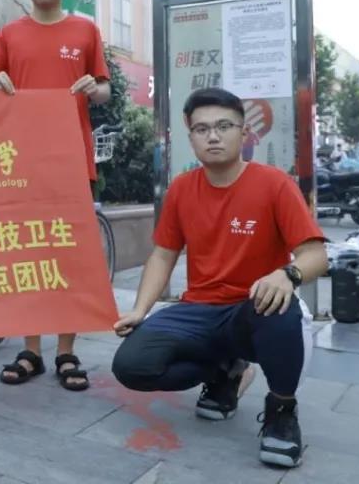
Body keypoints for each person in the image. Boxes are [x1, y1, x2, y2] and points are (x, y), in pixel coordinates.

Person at [110, 87, 328, 468]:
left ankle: (281, 411)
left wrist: (287, 274)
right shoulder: (182, 189)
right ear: (191, 137)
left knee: (280, 308)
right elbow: (163, 254)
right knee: (132, 365)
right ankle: (226, 372)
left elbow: (316, 255)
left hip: (251, 309)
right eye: (202, 129)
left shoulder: (274, 184)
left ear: (244, 133)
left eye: (224, 126)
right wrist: (140, 310)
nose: (213, 136)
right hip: (199, 310)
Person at [0, 0, 112, 391]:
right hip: (21, 161)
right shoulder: (11, 34)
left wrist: (94, 89)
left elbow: (105, 88)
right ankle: (31, 350)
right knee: (25, 254)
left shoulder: (85, 31)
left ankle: (66, 352)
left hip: (72, 161)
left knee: (69, 256)